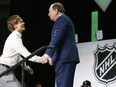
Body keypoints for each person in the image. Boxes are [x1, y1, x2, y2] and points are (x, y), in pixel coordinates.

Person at [0, 15, 51, 87]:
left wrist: (27, 67)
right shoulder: (15, 38)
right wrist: (41, 59)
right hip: (4, 70)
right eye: (21, 22)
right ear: (15, 25)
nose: (23, 23)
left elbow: (18, 57)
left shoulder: (15, 37)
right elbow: (27, 55)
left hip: (5, 69)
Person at [41, 2, 80, 87]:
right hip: (62, 58)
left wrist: (47, 55)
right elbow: (60, 41)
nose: (48, 14)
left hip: (65, 58)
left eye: (50, 11)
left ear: (56, 11)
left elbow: (56, 39)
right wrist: (53, 57)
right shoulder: (62, 20)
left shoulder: (62, 19)